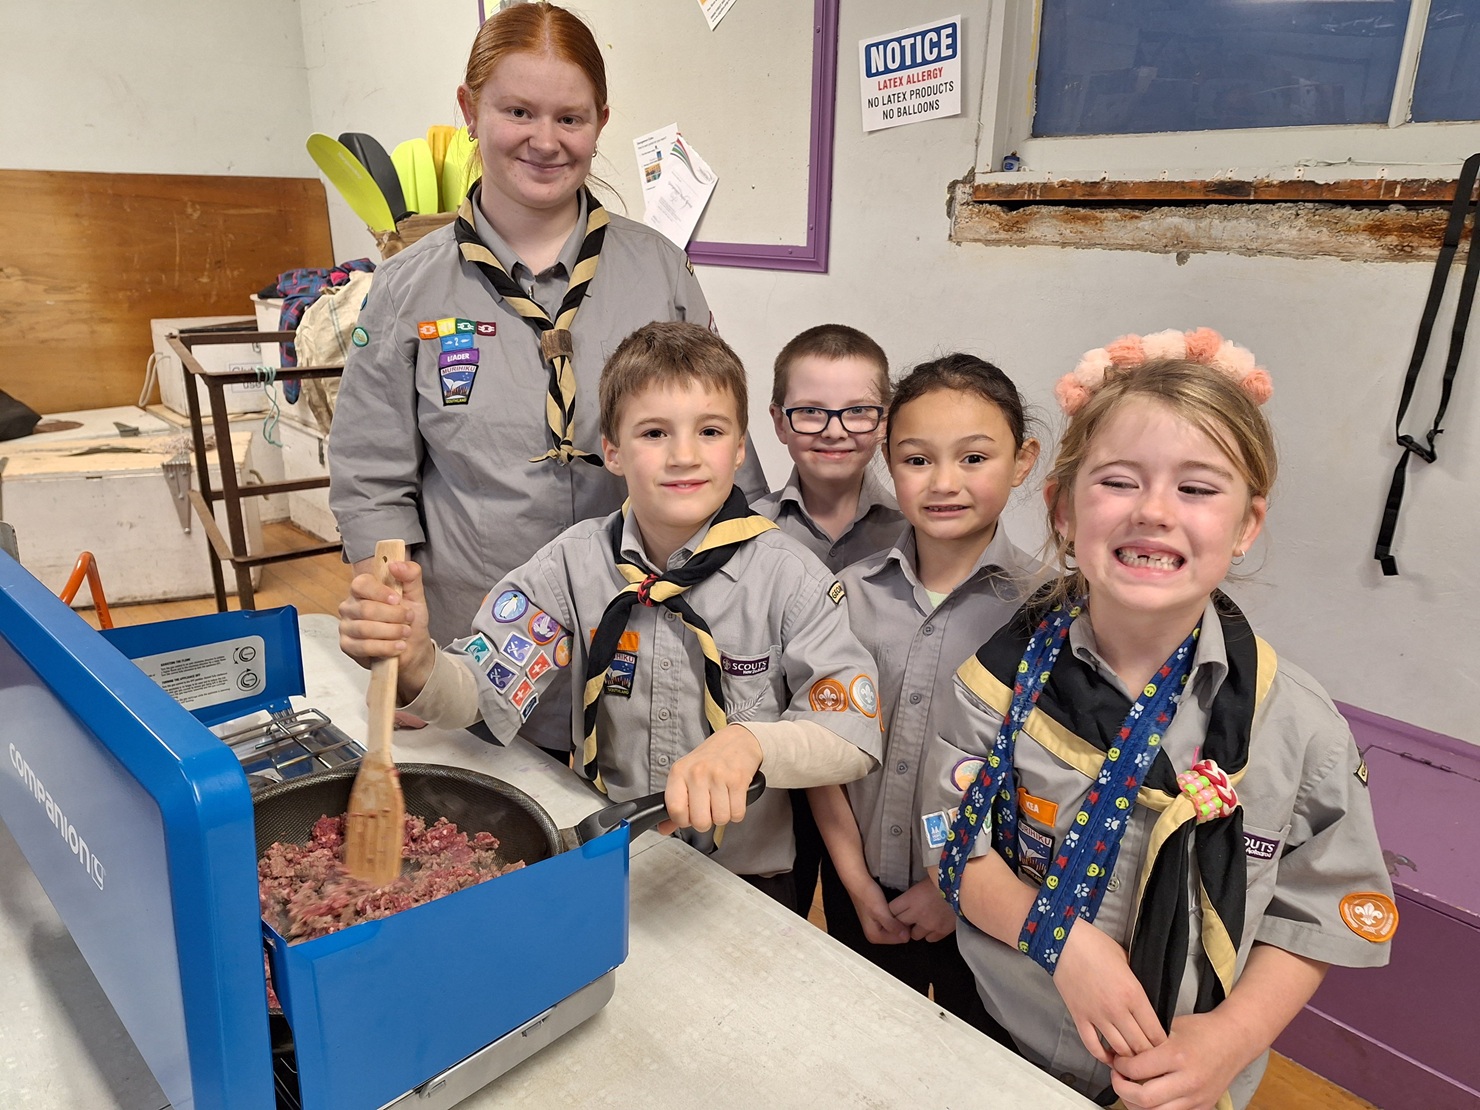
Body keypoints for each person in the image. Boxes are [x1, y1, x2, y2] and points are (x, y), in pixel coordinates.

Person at [923, 330, 1396, 1109]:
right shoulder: (995, 682)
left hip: (1183, 1081)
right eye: (1117, 481)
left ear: (1246, 524)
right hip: (994, 1032)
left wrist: (1229, 1040)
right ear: (1063, 510)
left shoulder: (1298, 728)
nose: (1153, 511)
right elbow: (953, 844)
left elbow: (1314, 909)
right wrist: (1063, 941)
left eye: (1199, 489)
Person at [328, 2, 766, 749]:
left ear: (600, 120)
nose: (545, 140)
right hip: (475, 661)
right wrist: (406, 650)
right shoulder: (406, 289)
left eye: (571, 118)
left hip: (646, 655)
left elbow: (724, 447)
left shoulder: (658, 268)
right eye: (518, 111)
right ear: (470, 110)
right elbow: (371, 478)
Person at [339, 322, 883, 905]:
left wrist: (753, 744)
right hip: (616, 852)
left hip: (752, 879)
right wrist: (418, 660)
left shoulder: (791, 578)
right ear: (614, 452)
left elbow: (851, 737)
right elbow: (479, 692)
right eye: (654, 432)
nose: (684, 456)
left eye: (710, 430)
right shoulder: (571, 566)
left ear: (742, 446)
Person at [808, 354, 1039, 1042]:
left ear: (1023, 460)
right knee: (866, 1051)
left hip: (988, 909)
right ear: (887, 461)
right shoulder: (847, 594)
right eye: (916, 460)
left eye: (974, 458)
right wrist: (852, 881)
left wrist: (954, 890)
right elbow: (827, 752)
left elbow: (1042, 780)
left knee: (979, 1063)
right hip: (862, 887)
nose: (944, 483)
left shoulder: (1051, 611)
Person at [752, 324, 904, 917]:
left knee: (861, 932)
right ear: (778, 420)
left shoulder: (913, 534)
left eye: (858, 412)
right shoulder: (747, 534)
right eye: (810, 411)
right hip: (768, 784)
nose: (835, 430)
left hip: (866, 784)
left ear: (885, 420)